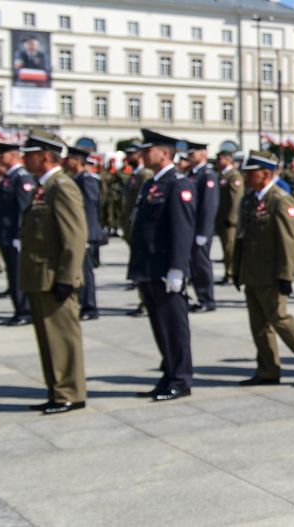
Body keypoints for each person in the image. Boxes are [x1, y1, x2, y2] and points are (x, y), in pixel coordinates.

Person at [234, 150, 294, 387]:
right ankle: (267, 370)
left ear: (265, 174)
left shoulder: (280, 200)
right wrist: (237, 269)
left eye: (251, 173)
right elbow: (242, 237)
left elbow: (290, 241)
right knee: (259, 325)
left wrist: (286, 275)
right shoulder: (250, 200)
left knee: (280, 318)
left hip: (271, 273)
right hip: (252, 272)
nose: (246, 176)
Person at [18, 131, 88, 415]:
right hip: (40, 277)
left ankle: (70, 393)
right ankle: (57, 391)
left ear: (46, 157)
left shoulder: (62, 186)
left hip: (54, 277)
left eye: (30, 155)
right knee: (49, 340)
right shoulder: (44, 187)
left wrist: (66, 278)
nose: (24, 159)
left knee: (62, 337)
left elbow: (74, 237)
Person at [128, 129, 196, 402]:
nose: (143, 155)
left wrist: (177, 268)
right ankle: (168, 374)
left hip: (166, 267)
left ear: (164, 153)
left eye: (148, 151)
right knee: (160, 325)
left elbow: (182, 229)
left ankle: (181, 379)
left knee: (174, 326)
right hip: (148, 266)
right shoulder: (151, 184)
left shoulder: (178, 184)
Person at [0, 141, 35, 326]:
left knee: (18, 275)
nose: (0, 158)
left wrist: (20, 235)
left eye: (4, 154)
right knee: (12, 273)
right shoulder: (10, 176)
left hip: (15, 235)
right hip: (6, 233)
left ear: (14, 155)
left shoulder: (21, 177)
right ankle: (20, 309)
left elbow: (23, 209)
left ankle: (24, 311)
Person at [65, 146, 104, 321]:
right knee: (80, 270)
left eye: (70, 158)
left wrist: (85, 234)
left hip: (86, 233)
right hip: (81, 232)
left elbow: (90, 208)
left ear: (77, 161)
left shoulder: (86, 179)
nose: (66, 162)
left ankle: (90, 306)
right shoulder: (77, 178)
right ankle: (84, 303)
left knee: (86, 271)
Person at [184, 141, 219, 312]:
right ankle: (199, 296)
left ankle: (207, 299)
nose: (190, 157)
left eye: (193, 154)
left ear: (204, 154)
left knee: (201, 264)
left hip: (200, 228)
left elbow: (208, 205)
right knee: (192, 264)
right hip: (190, 227)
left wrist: (203, 231)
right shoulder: (192, 174)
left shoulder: (207, 175)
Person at [120, 142, 153, 317]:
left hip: (137, 225)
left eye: (131, 154)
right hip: (131, 224)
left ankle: (145, 303)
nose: (128, 157)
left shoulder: (144, 174)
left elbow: (140, 203)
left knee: (142, 263)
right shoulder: (136, 174)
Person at [214, 150, 244, 285]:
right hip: (222, 218)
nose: (217, 162)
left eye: (219, 159)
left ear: (227, 159)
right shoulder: (222, 175)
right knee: (225, 247)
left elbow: (236, 199)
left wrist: (232, 218)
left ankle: (231, 273)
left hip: (229, 219)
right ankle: (228, 272)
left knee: (230, 247)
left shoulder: (234, 176)